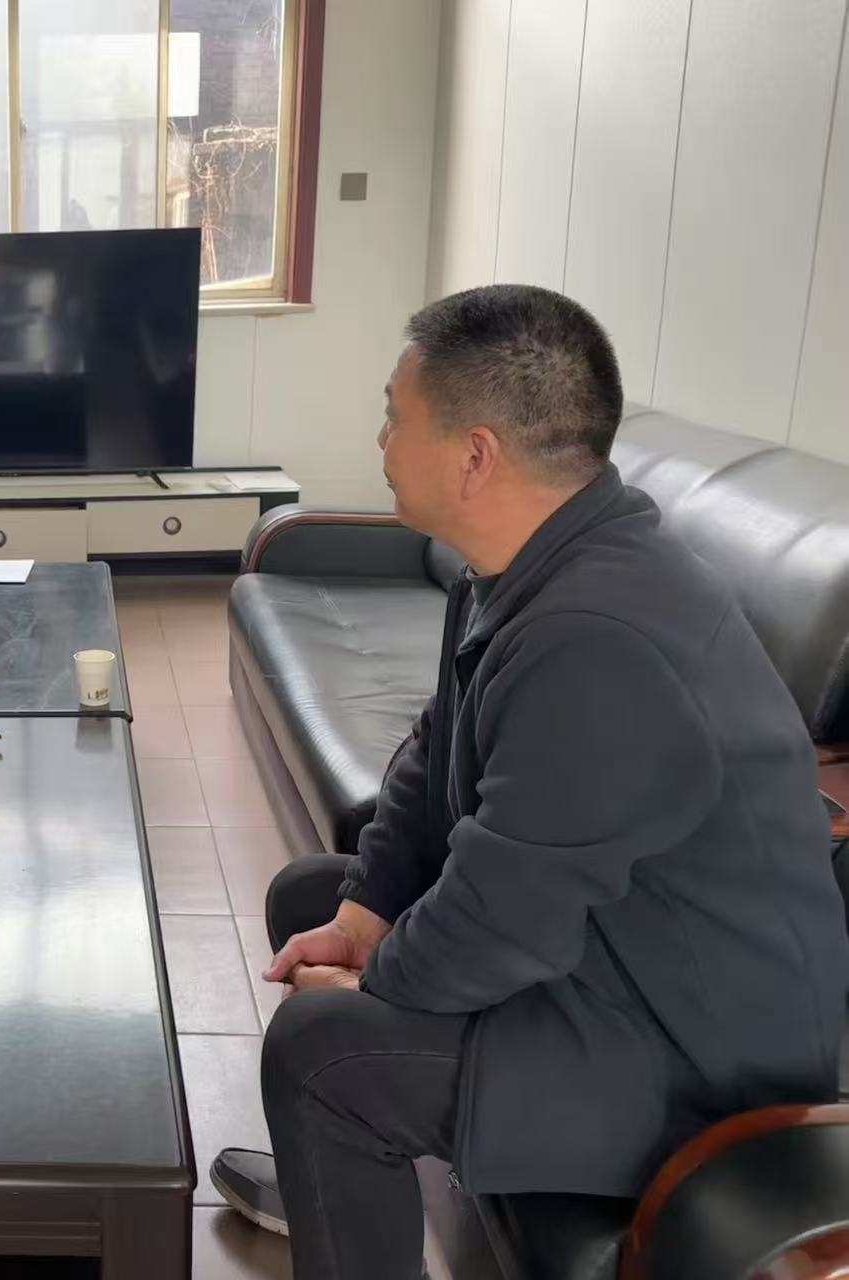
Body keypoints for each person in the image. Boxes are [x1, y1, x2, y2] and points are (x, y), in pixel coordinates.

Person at [209, 285, 849, 1279]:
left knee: (322, 1050)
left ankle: (337, 1154)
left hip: (692, 1055)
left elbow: (503, 918)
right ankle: (334, 1190)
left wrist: (371, 980)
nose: (379, 440)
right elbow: (434, 749)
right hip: (607, 955)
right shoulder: (526, 564)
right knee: (315, 895)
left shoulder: (599, 637)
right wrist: (367, 911)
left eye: (394, 416)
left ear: (475, 456)